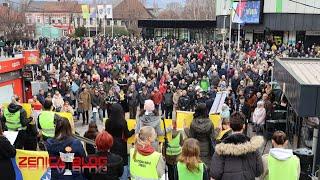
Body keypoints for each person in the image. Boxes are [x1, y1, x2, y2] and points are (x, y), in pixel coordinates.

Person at [210, 112, 264, 180]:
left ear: (230, 125)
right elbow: (259, 171)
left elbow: (215, 175)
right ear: (244, 126)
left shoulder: (220, 149)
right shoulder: (253, 147)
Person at [45, 116, 86, 180]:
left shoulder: (49, 143)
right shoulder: (75, 143)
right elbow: (83, 160)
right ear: (69, 127)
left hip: (55, 176)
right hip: (73, 176)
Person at [105, 103, 135, 180]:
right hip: (121, 143)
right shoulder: (123, 121)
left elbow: (107, 132)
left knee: (113, 158)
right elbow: (127, 134)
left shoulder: (108, 121)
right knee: (123, 161)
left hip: (111, 143)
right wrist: (133, 130)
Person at [184, 103, 214, 167]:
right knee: (205, 166)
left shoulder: (193, 122)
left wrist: (186, 129)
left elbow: (191, 136)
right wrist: (218, 129)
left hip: (196, 146)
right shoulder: (210, 123)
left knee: (197, 164)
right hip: (207, 147)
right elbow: (213, 136)